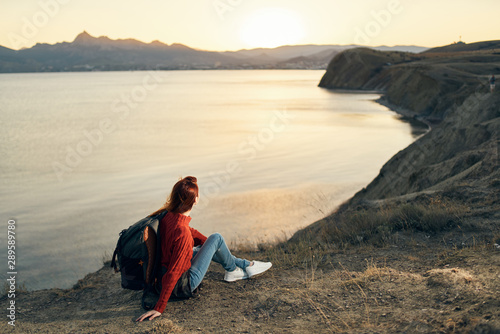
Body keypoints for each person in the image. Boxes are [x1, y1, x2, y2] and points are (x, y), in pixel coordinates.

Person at [136, 176, 272, 322]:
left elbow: (190, 232)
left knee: (213, 242)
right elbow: (174, 272)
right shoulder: (182, 233)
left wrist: (212, 246)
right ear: (195, 200)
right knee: (217, 237)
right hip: (184, 285)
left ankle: (245, 265)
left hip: (161, 276)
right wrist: (159, 307)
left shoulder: (168, 216)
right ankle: (233, 270)